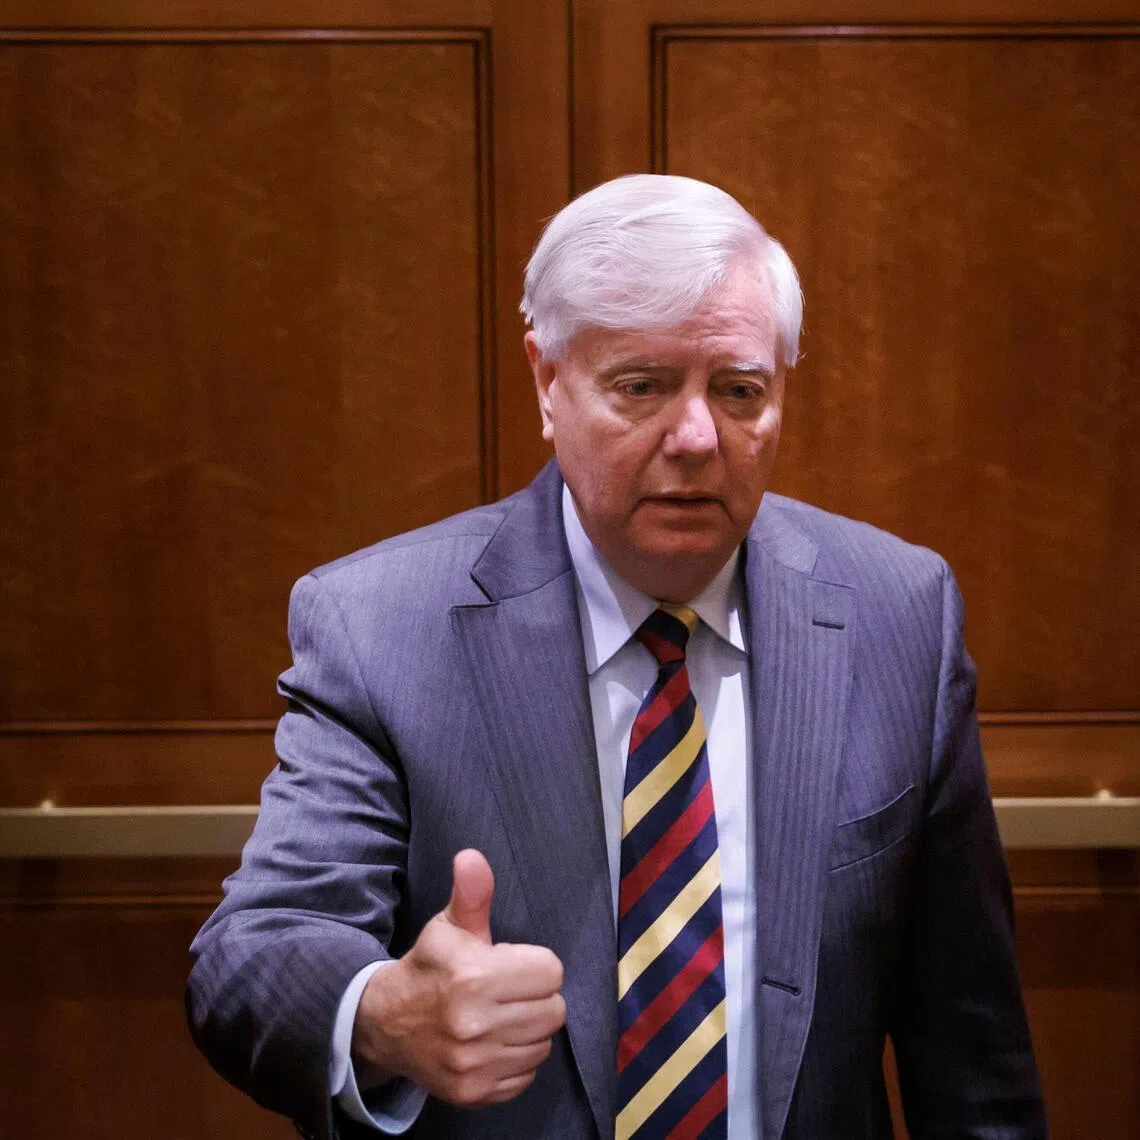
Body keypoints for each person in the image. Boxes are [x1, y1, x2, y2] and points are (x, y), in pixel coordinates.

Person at [187, 174, 1047, 1140]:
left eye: (738, 391)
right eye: (641, 386)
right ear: (548, 383)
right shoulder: (381, 627)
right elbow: (252, 953)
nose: (694, 438)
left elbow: (973, 1051)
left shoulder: (899, 611)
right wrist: (383, 1016)